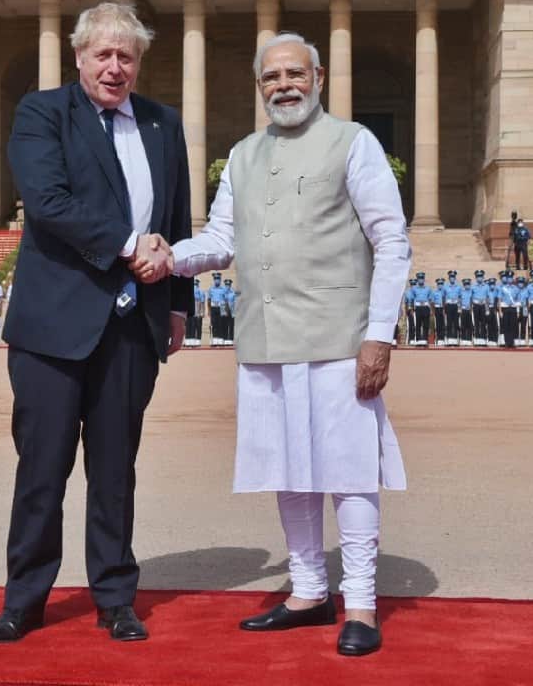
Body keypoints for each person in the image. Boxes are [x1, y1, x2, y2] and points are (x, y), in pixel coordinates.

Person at [168, 32, 409, 657]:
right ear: (259, 87)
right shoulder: (243, 155)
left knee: (350, 474)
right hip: (266, 337)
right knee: (289, 471)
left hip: (338, 337)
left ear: (319, 77)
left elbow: (392, 240)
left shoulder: (354, 143)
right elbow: (220, 240)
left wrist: (378, 335)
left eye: (294, 73)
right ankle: (307, 589)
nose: (284, 85)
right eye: (271, 77)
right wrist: (164, 254)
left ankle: (360, 601)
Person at [0, 1, 191, 645]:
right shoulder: (44, 112)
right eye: (103, 54)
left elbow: (176, 217)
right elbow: (48, 203)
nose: (115, 67)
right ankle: (25, 598)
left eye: (126, 56)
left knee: (115, 468)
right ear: (78, 57)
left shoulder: (162, 123)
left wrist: (178, 300)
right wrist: (131, 245)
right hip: (54, 323)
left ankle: (115, 596)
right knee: (42, 468)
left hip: (132, 325)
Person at [498, 271, 522, 349]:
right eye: (508, 278)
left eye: (511, 278)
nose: (510, 280)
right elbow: (499, 300)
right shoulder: (502, 288)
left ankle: (512, 342)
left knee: (513, 325)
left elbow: (518, 300)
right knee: (506, 325)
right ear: (507, 279)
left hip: (513, 308)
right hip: (505, 308)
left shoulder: (516, 288)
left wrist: (518, 311)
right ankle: (507, 342)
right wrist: (500, 311)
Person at [410, 273, 431, 348]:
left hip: (425, 307)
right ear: (417, 279)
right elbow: (412, 299)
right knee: (418, 324)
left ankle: (425, 339)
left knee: (426, 325)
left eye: (422, 278)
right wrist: (412, 309)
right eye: (419, 279)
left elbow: (430, 299)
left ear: (424, 279)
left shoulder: (428, 288)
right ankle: (418, 340)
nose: (421, 280)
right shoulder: (414, 288)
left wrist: (430, 309)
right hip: (418, 307)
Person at [469, 270, 489, 347]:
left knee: (483, 323)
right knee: (476, 323)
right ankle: (477, 339)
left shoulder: (486, 286)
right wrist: (471, 308)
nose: (479, 278)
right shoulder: (473, 286)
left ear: (483, 277)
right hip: (476, 305)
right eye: (478, 277)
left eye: (481, 276)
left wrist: (487, 309)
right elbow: (470, 298)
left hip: (483, 305)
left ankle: (483, 339)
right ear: (476, 277)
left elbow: (487, 298)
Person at [442, 271, 461, 347]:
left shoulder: (458, 287)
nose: (452, 279)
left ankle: (456, 339)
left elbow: (460, 297)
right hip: (449, 305)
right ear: (449, 278)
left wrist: (459, 307)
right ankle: (449, 339)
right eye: (451, 277)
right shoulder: (445, 287)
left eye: (453, 277)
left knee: (456, 323)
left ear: (455, 278)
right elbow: (443, 297)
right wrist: (444, 308)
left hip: (456, 305)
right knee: (449, 323)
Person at [401, 279, 416, 346]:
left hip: (417, 310)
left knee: (417, 326)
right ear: (410, 285)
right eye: (412, 285)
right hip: (410, 311)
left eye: (414, 285)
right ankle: (409, 340)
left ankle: (416, 340)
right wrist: (407, 311)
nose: (413, 286)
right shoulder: (407, 293)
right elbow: (406, 303)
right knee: (410, 326)